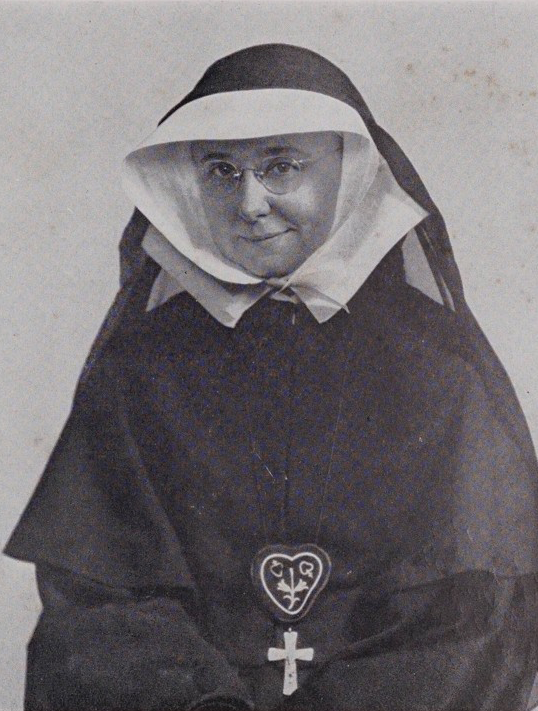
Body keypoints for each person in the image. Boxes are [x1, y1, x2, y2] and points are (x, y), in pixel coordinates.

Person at [5, 43, 538, 711]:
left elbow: (473, 619)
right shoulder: (139, 371)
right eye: (222, 171)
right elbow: (97, 607)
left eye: (281, 166)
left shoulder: (436, 369)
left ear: (349, 170)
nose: (250, 202)